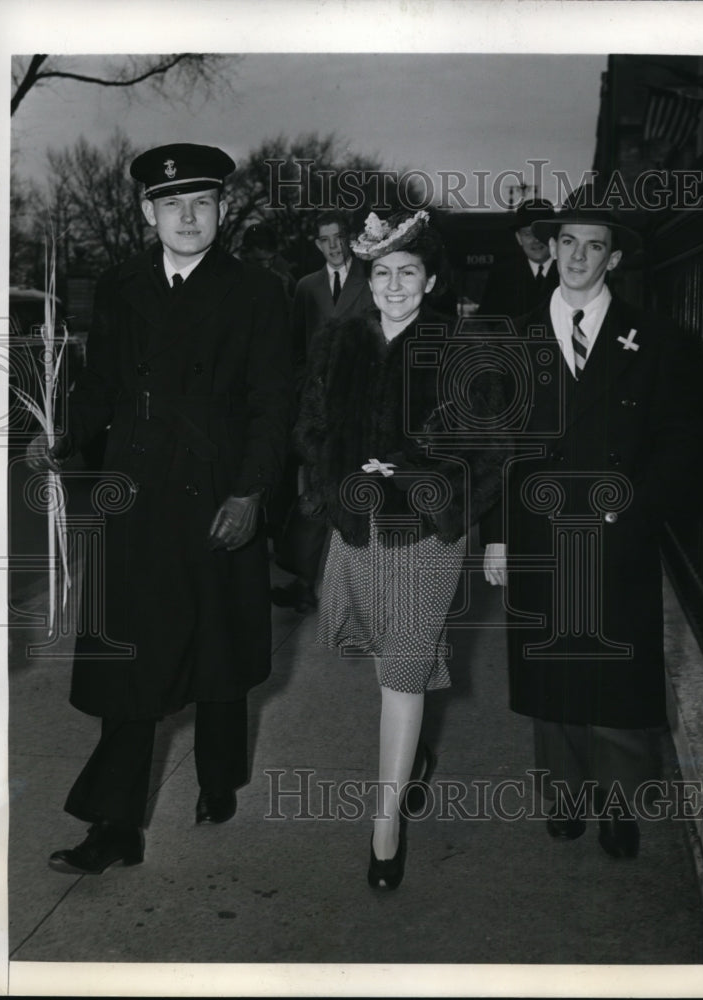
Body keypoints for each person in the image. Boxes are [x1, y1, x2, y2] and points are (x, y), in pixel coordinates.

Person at [26, 143, 293, 874]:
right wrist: (64, 436)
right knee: (131, 657)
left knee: (217, 649)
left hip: (217, 492)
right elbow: (102, 385)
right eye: (172, 204)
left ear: (222, 210)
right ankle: (114, 826)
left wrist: (251, 492)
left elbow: (275, 405)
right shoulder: (119, 287)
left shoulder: (259, 292)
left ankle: (218, 775)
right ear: (148, 213)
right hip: (136, 495)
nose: (188, 216)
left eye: (201, 203)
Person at [479, 188, 703, 858]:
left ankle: (620, 800)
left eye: (595, 245)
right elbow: (494, 443)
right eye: (569, 243)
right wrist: (495, 534)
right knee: (552, 663)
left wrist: (636, 510)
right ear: (550, 249)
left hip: (615, 529)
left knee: (617, 662)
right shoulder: (514, 337)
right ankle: (563, 791)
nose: (579, 257)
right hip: (535, 528)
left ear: (614, 257)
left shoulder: (660, 340)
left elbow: (683, 442)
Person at [295, 209, 506, 889]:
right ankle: (409, 762)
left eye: (407, 272)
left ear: (432, 279)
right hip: (358, 528)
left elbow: (488, 449)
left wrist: (416, 477)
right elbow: (314, 432)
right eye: (381, 273)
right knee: (388, 656)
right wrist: (339, 483)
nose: (392, 285)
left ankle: (385, 830)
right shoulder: (337, 344)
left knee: (402, 672)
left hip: (426, 532)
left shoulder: (460, 347)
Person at [271, 209, 374, 612]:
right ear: (315, 244)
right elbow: (295, 349)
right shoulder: (305, 287)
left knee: (356, 492)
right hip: (318, 411)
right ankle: (306, 581)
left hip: (359, 404)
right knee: (315, 494)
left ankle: (356, 590)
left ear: (349, 239)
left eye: (338, 237)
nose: (333, 246)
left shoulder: (372, 279)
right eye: (324, 240)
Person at [477, 198, 559, 319]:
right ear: (519, 238)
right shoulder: (502, 276)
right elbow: (486, 323)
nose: (535, 240)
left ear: (553, 235)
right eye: (528, 234)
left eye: (541, 232)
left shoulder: (569, 271)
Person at [240, 221, 297, 303]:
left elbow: (300, 312)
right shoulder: (234, 281)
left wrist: (284, 295)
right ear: (244, 255)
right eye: (259, 260)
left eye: (271, 259)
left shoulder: (285, 278)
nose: (267, 265)